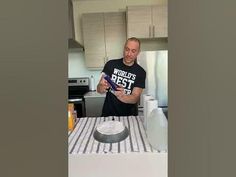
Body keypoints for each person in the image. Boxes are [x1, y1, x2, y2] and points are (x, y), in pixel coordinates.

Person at [97, 37, 146, 116]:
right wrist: (101, 87)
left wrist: (123, 96)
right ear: (124, 49)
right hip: (108, 115)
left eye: (133, 51)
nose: (129, 54)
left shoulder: (141, 72)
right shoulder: (110, 64)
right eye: (127, 49)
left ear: (138, 52)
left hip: (128, 117)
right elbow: (99, 89)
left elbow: (135, 98)